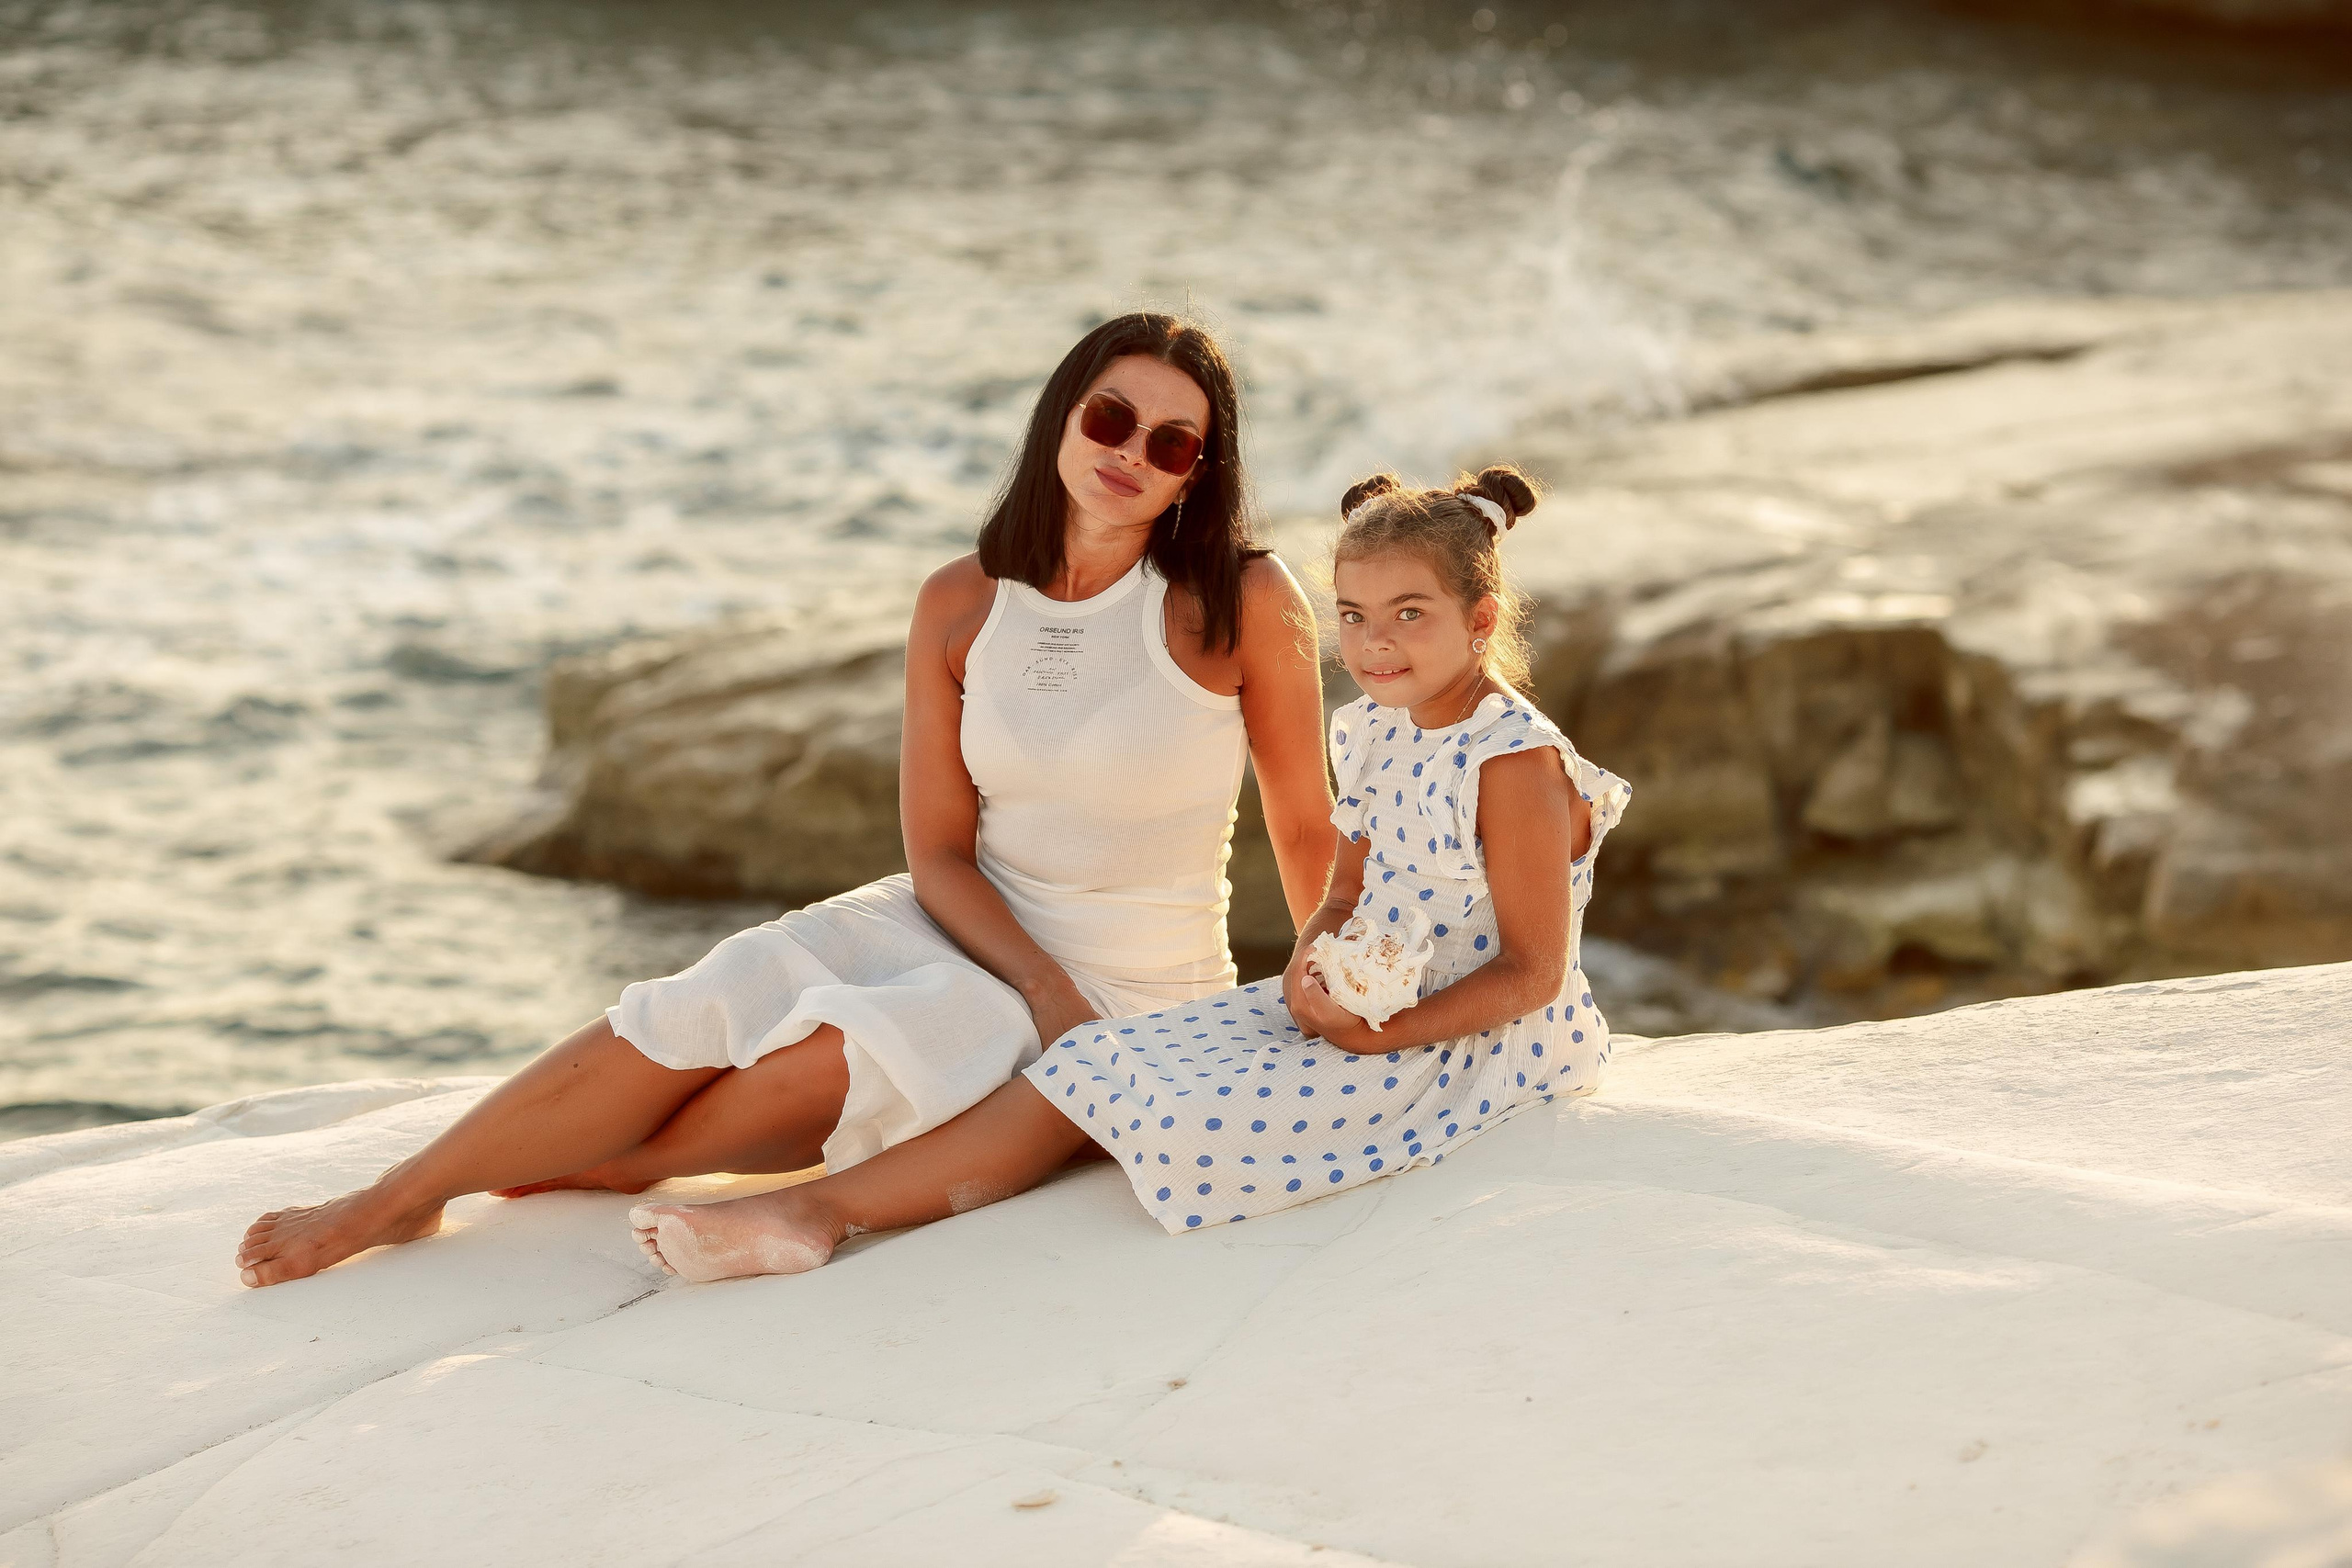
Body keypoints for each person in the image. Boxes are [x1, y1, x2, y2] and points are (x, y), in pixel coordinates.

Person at [236, 313, 1335, 1288]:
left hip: (1133, 980)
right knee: (723, 986)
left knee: (863, 1045)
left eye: (1171, 442)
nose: (1130, 454)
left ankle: (629, 1163)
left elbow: (1300, 822)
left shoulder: (1239, 599)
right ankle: (400, 1195)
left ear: (1196, 473)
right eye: (1110, 417)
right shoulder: (960, 601)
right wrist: (1037, 978)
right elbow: (941, 850)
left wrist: (1335, 995)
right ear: (1062, 417)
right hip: (966, 918)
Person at [627, 463, 1633, 1281]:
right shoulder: (1374, 731)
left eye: (1410, 615)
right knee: (1095, 1063)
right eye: (1355, 616)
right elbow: (1340, 890)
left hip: (1470, 1040)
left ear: (1480, 615)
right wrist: (1309, 971)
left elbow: (1533, 972)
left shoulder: (1513, 763)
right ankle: (808, 1213)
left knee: (1180, 1115)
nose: (1374, 643)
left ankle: (813, 1209)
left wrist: (1386, 1033)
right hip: (1371, 1006)